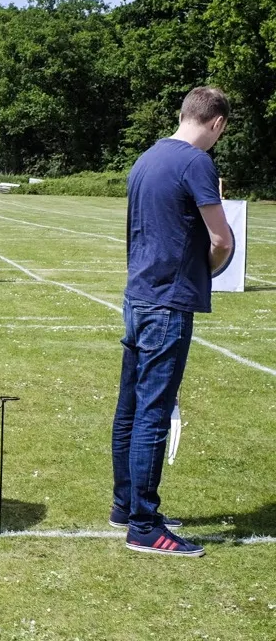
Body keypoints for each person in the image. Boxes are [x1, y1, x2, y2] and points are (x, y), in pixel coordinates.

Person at [111, 86, 233, 557]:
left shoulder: (146, 158)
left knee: (130, 409)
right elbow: (220, 240)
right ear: (217, 123)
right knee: (152, 413)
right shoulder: (196, 162)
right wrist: (211, 266)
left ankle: (126, 505)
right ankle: (144, 524)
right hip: (167, 302)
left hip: (139, 296)